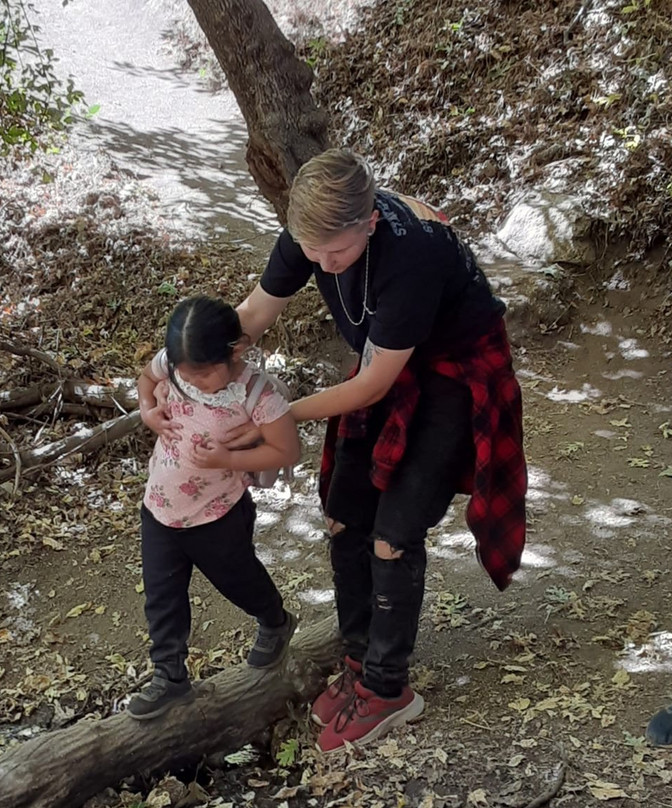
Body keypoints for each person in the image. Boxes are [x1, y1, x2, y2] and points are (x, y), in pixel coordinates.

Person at [227, 148, 527, 751]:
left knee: (394, 530)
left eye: (334, 253)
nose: (321, 263)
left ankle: (391, 691)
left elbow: (371, 387)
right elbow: (254, 315)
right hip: (384, 359)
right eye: (311, 251)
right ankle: (361, 662)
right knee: (343, 513)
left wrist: (278, 416)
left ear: (366, 223)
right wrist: (191, 366)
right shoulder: (312, 234)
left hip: (452, 373)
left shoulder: (411, 257)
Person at [128, 296, 302, 720]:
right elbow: (144, 382)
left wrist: (231, 461)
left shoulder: (255, 393)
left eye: (204, 374)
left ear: (236, 350)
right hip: (161, 508)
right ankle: (169, 675)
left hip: (216, 514)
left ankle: (275, 620)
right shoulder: (172, 362)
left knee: (239, 581)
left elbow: (288, 450)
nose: (197, 382)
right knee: (162, 596)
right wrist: (148, 413)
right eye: (187, 374)